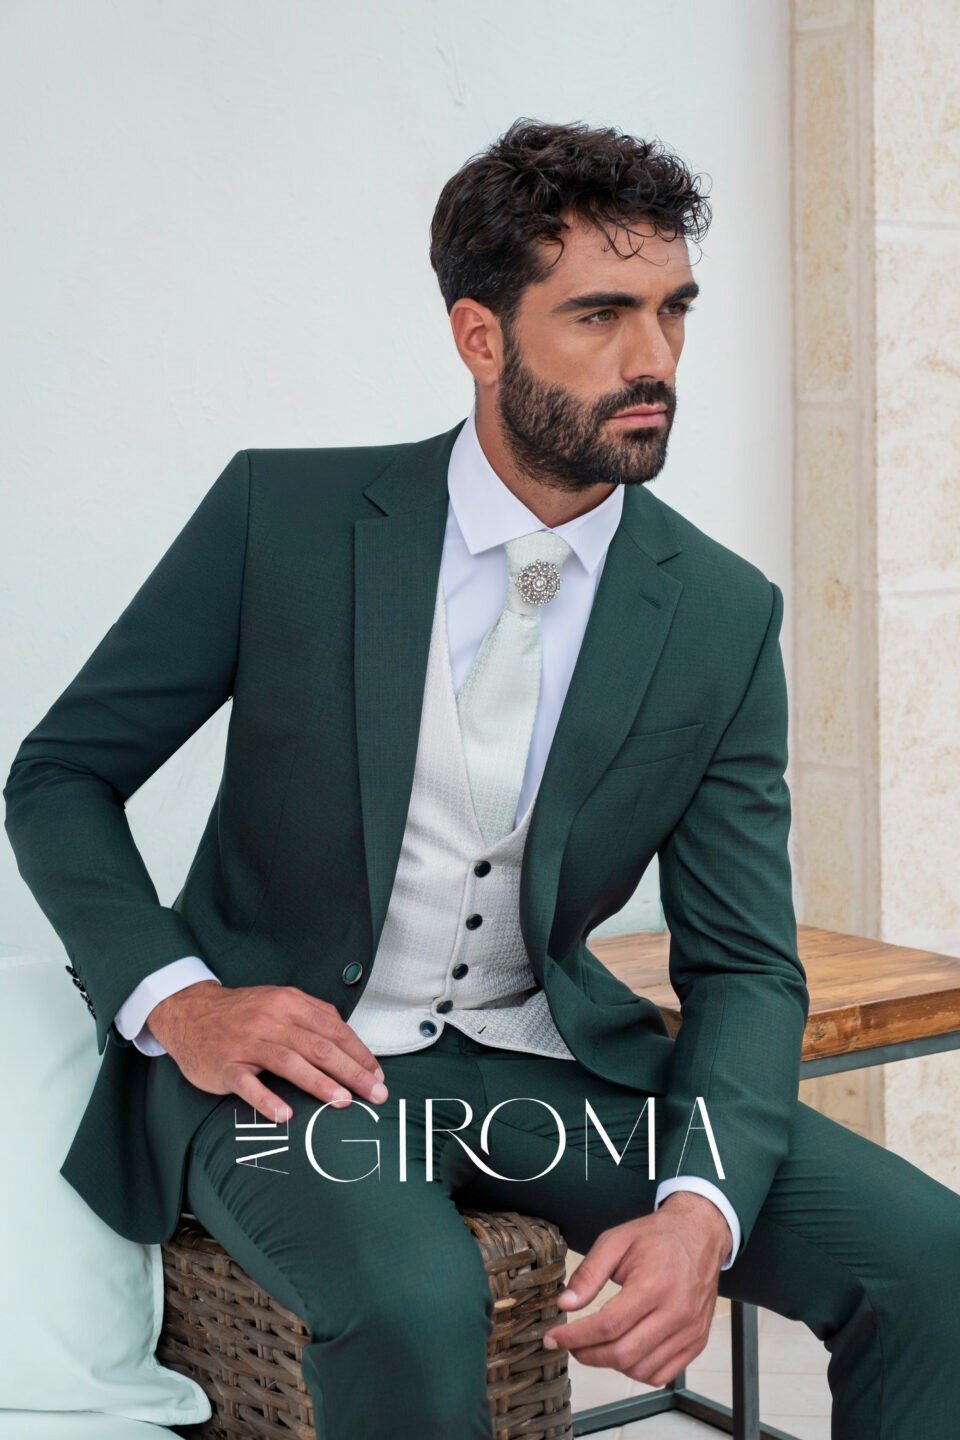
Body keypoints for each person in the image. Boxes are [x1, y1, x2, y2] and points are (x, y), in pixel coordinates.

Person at [5, 117, 960, 1440]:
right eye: (601, 315)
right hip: (293, 1080)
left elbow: (745, 961)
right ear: (480, 336)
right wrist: (187, 1003)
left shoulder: (720, 612)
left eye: (675, 311)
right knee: (413, 1300)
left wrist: (699, 1209)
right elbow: (59, 775)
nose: (654, 358)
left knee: (930, 1261)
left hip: (544, 1072)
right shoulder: (284, 522)